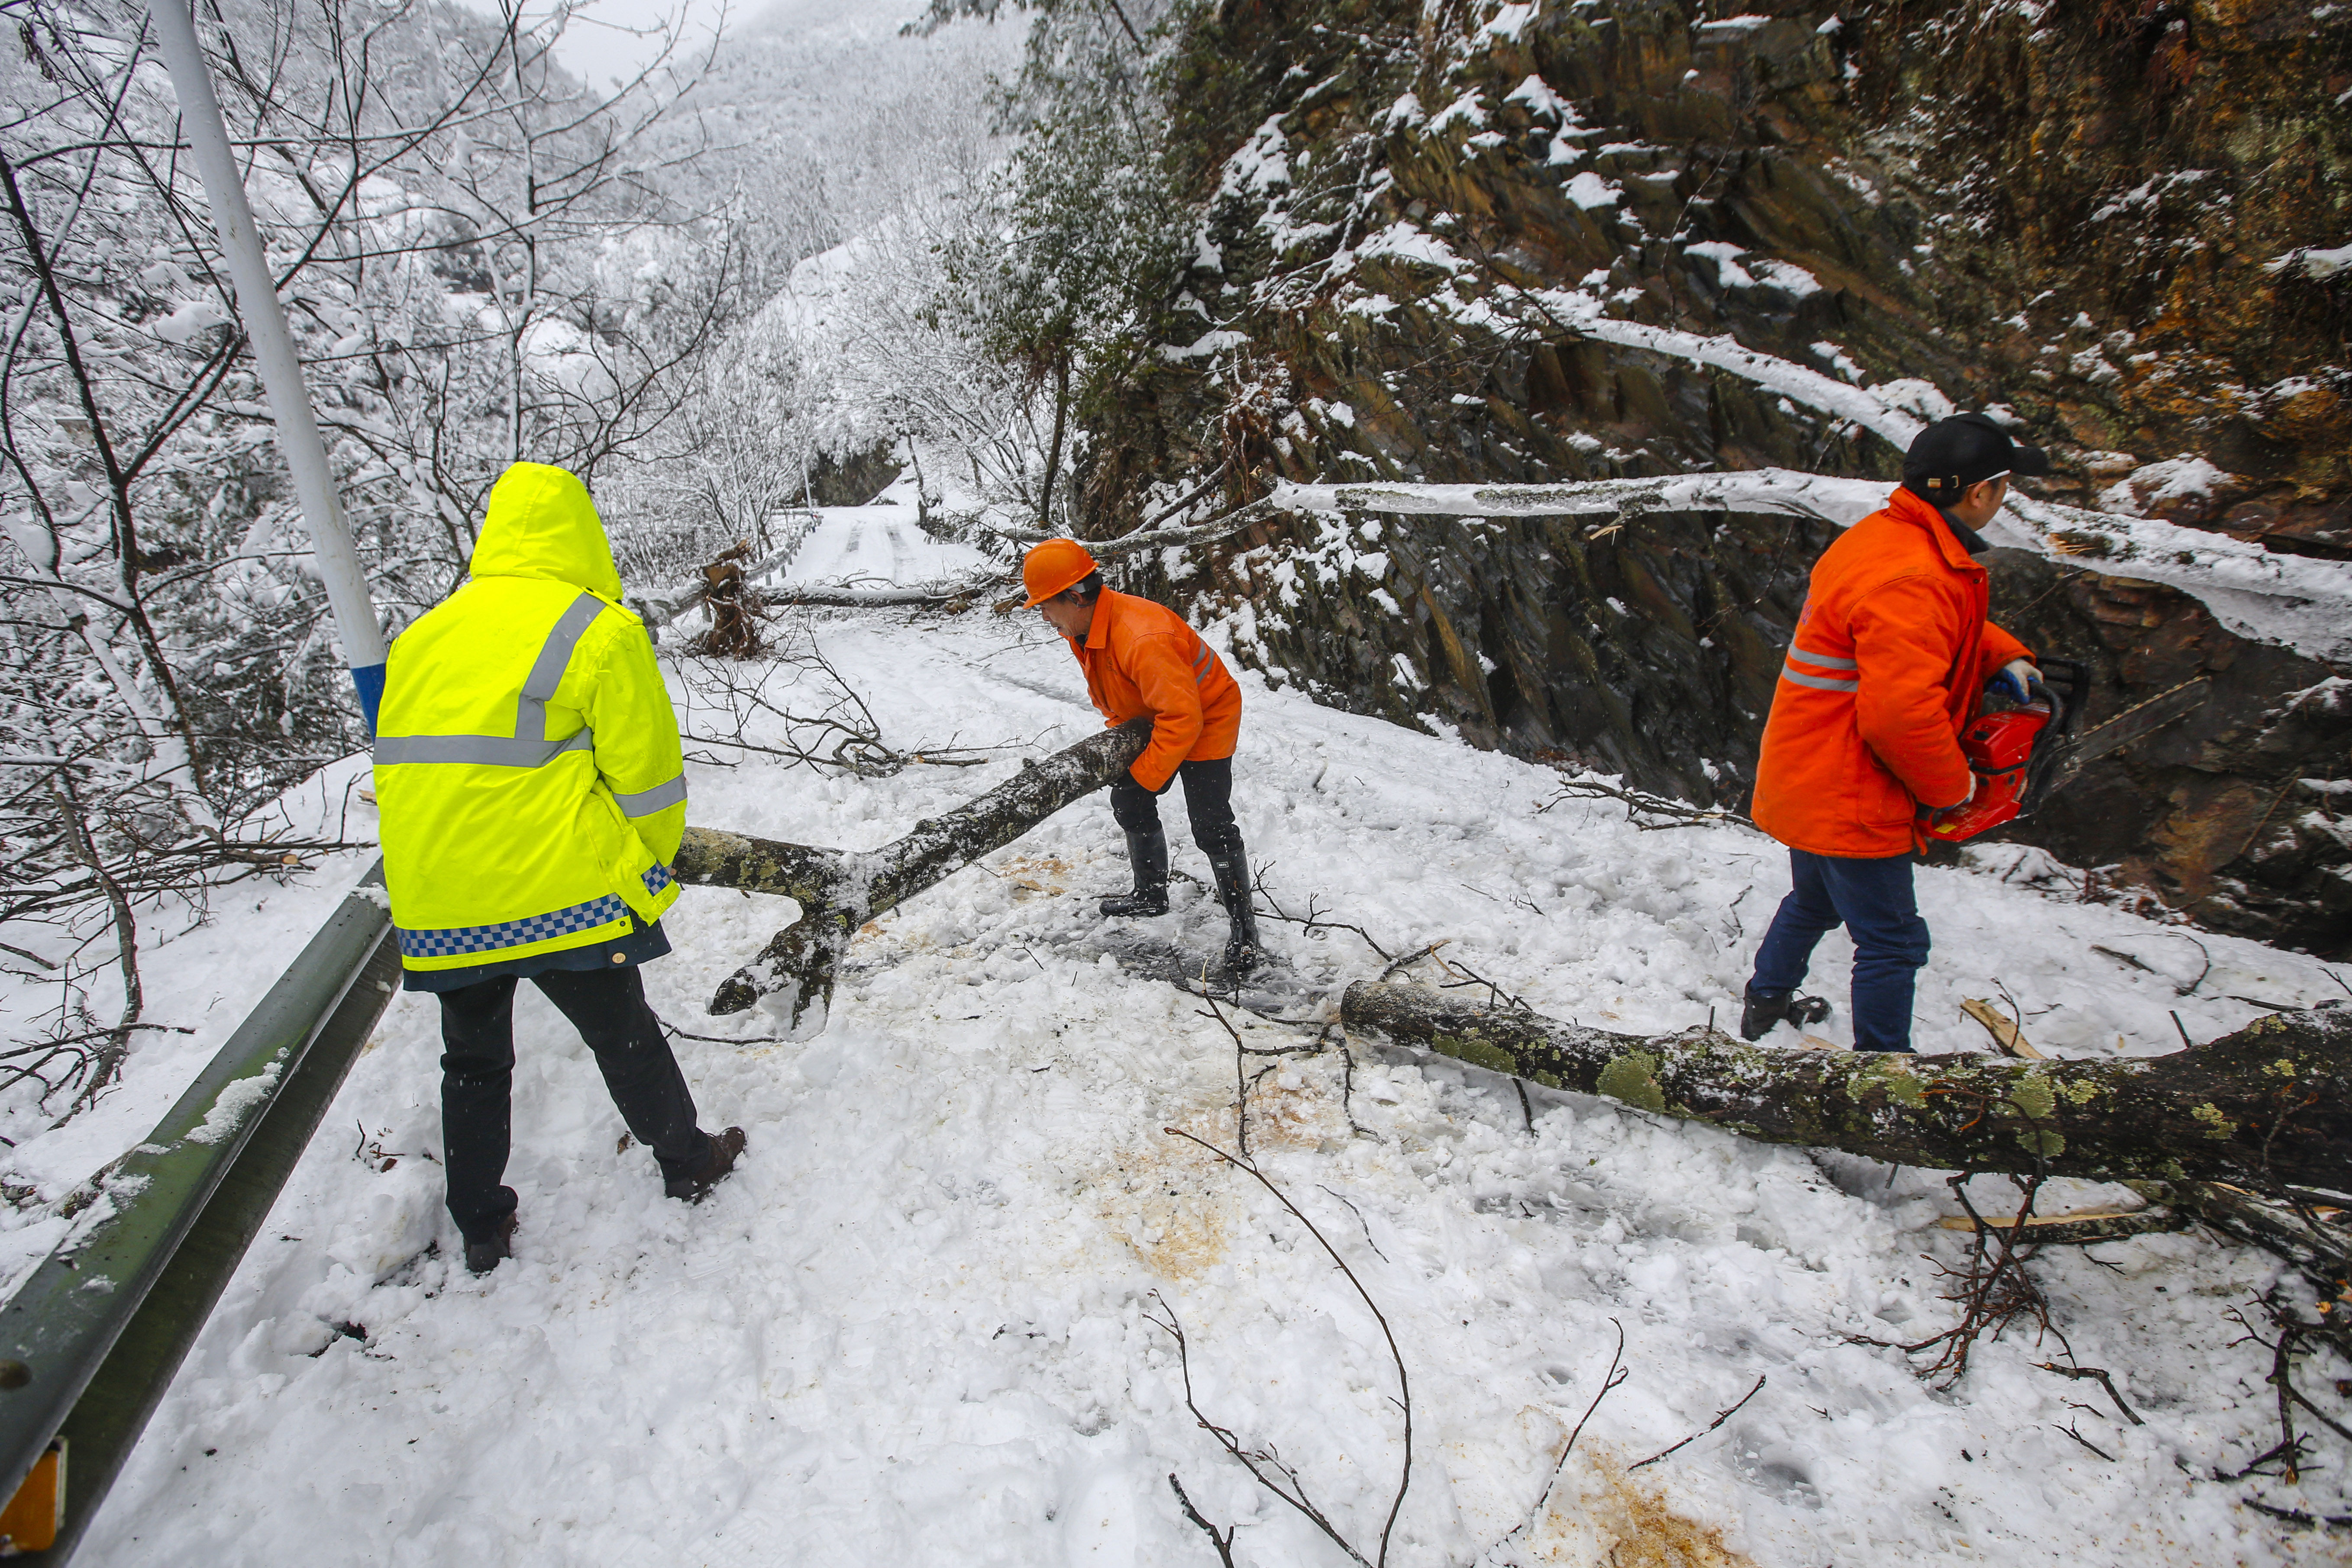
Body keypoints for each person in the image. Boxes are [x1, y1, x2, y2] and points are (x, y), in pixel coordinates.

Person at [374, 461, 744, 1276]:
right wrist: (637, 871)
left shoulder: (421, 635)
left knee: (471, 1060)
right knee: (624, 1034)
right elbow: (647, 782)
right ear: (582, 533)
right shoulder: (597, 631)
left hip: (442, 897)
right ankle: (687, 1160)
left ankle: (479, 1222)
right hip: (560, 889)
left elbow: (405, 770)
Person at [1741, 413, 2048, 1052]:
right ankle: (1883, 1072)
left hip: (1809, 766)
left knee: (1814, 901)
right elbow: (1899, 715)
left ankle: (1765, 1002)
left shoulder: (1885, 539)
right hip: (1853, 788)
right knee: (1893, 940)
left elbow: (1929, 631)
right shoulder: (1919, 575)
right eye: (2004, 485)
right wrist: (1953, 786)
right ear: (1980, 493)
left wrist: (2004, 655)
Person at [1022, 539, 1262, 974]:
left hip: (1204, 715)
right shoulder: (1086, 626)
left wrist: (1148, 772)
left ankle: (1245, 929)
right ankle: (1150, 894)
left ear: (1074, 597)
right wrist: (1129, 756)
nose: (1042, 615)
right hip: (1159, 711)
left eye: (1044, 604)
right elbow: (1115, 691)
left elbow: (1183, 718)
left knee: (1211, 823)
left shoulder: (1140, 636)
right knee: (1129, 799)